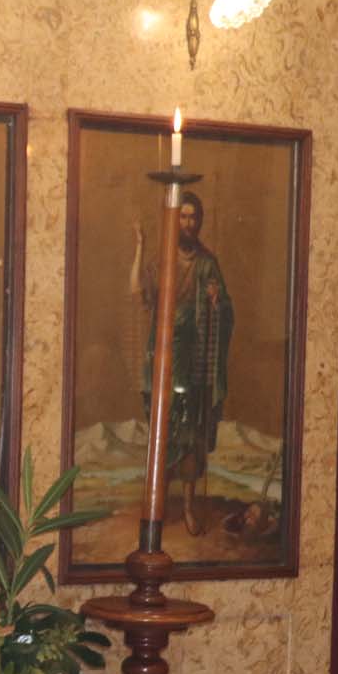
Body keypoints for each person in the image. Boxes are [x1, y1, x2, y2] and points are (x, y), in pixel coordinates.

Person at [129, 191, 234, 536]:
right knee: (163, 430)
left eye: (193, 217)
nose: (188, 223)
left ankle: (188, 507)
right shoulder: (163, 261)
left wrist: (216, 302)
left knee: (191, 435)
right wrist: (140, 245)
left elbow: (225, 309)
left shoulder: (207, 262)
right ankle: (156, 506)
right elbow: (138, 292)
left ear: (199, 221)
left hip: (195, 360)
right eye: (183, 217)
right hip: (164, 358)